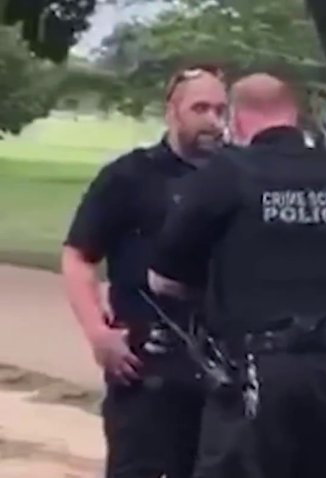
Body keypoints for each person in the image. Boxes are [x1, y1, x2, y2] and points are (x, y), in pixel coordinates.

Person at [146, 73, 326, 478]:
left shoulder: (225, 173)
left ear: (236, 119)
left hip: (256, 379)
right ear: (294, 115)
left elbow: (163, 278)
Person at [61, 65, 228, 477]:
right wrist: (99, 334)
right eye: (200, 108)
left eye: (221, 109)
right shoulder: (129, 176)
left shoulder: (240, 176)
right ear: (171, 112)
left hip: (225, 365)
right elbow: (78, 256)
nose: (213, 120)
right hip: (145, 367)